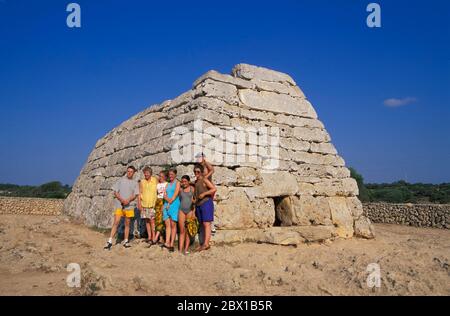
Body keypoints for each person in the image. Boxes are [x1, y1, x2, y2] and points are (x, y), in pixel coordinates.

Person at [104, 166, 139, 250]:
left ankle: (126, 241)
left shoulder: (135, 183)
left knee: (127, 224)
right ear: (126, 172)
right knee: (116, 222)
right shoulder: (120, 180)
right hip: (119, 205)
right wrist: (122, 200)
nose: (129, 173)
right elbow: (115, 192)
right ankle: (109, 241)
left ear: (134, 173)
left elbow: (135, 195)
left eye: (131, 171)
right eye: (128, 171)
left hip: (129, 206)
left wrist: (128, 200)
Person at [193, 164, 216, 252]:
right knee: (203, 224)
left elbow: (213, 189)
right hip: (199, 204)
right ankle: (203, 244)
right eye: (195, 172)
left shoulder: (204, 179)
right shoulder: (196, 182)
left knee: (207, 224)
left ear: (202, 172)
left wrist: (204, 194)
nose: (196, 173)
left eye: (198, 172)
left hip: (206, 203)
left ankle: (206, 244)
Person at [138, 167, 158, 245]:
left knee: (152, 221)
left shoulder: (155, 180)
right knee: (147, 221)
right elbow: (139, 193)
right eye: (145, 173)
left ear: (150, 173)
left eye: (147, 173)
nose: (146, 174)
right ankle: (149, 237)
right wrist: (139, 203)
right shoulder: (142, 182)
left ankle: (154, 238)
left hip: (153, 204)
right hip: (144, 204)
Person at [162, 169, 180, 252]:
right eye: (169, 174)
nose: (170, 176)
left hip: (174, 205)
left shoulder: (178, 183)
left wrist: (169, 202)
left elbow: (175, 195)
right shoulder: (167, 184)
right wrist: (167, 201)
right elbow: (164, 194)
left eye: (172, 174)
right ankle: (167, 242)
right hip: (166, 205)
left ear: (175, 174)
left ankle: (172, 243)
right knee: (167, 225)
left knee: (173, 225)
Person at [178, 175, 195, 255]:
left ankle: (185, 249)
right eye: (182, 181)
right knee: (182, 231)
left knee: (188, 231)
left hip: (190, 211)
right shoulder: (180, 189)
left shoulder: (192, 189)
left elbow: (195, 201)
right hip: (181, 210)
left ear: (188, 181)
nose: (184, 183)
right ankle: (180, 250)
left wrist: (194, 212)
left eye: (185, 181)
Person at [154, 170, 168, 244]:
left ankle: (156, 238)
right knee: (158, 220)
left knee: (162, 220)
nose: (160, 177)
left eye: (161, 176)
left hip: (164, 201)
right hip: (158, 201)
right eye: (159, 176)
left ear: (165, 177)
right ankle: (161, 238)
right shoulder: (158, 184)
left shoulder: (167, 184)